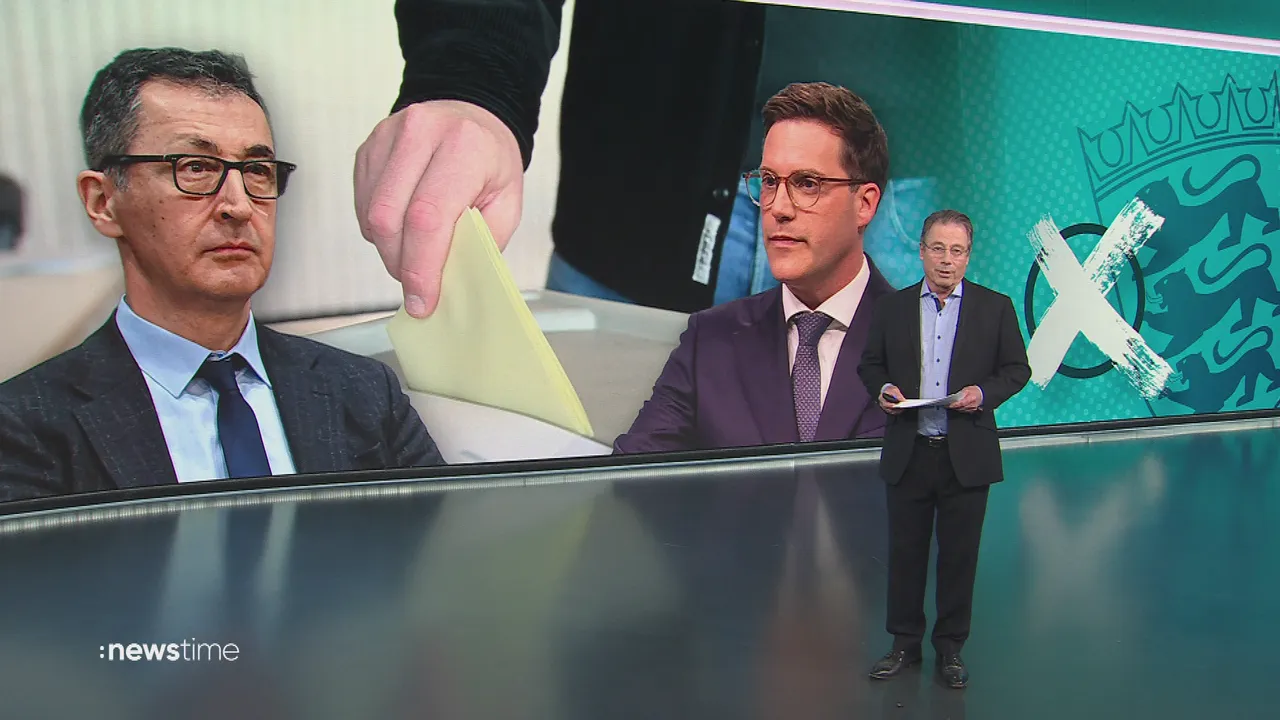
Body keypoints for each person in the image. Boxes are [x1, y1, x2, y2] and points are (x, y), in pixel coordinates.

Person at [0, 48, 443, 503]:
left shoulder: (364, 393)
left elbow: (442, 543)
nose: (239, 205)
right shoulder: (23, 427)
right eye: (195, 168)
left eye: (257, 171)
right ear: (102, 202)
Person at [357, 0, 947, 317]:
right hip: (636, 196)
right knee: (598, 501)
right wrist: (474, 82)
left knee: (888, 500)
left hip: (906, 210)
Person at [613, 82, 893, 453]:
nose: (778, 208)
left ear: (865, 204)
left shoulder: (930, 342)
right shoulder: (709, 341)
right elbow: (632, 476)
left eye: (807, 184)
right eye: (770, 182)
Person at [856, 210, 1030, 688]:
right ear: (922, 251)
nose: (947, 260)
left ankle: (950, 650)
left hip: (965, 454)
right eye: (938, 248)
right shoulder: (892, 308)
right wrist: (883, 389)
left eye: (957, 251)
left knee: (959, 557)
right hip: (909, 451)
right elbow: (870, 364)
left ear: (968, 256)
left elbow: (1017, 370)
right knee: (905, 554)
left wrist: (983, 394)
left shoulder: (995, 308)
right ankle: (904, 644)